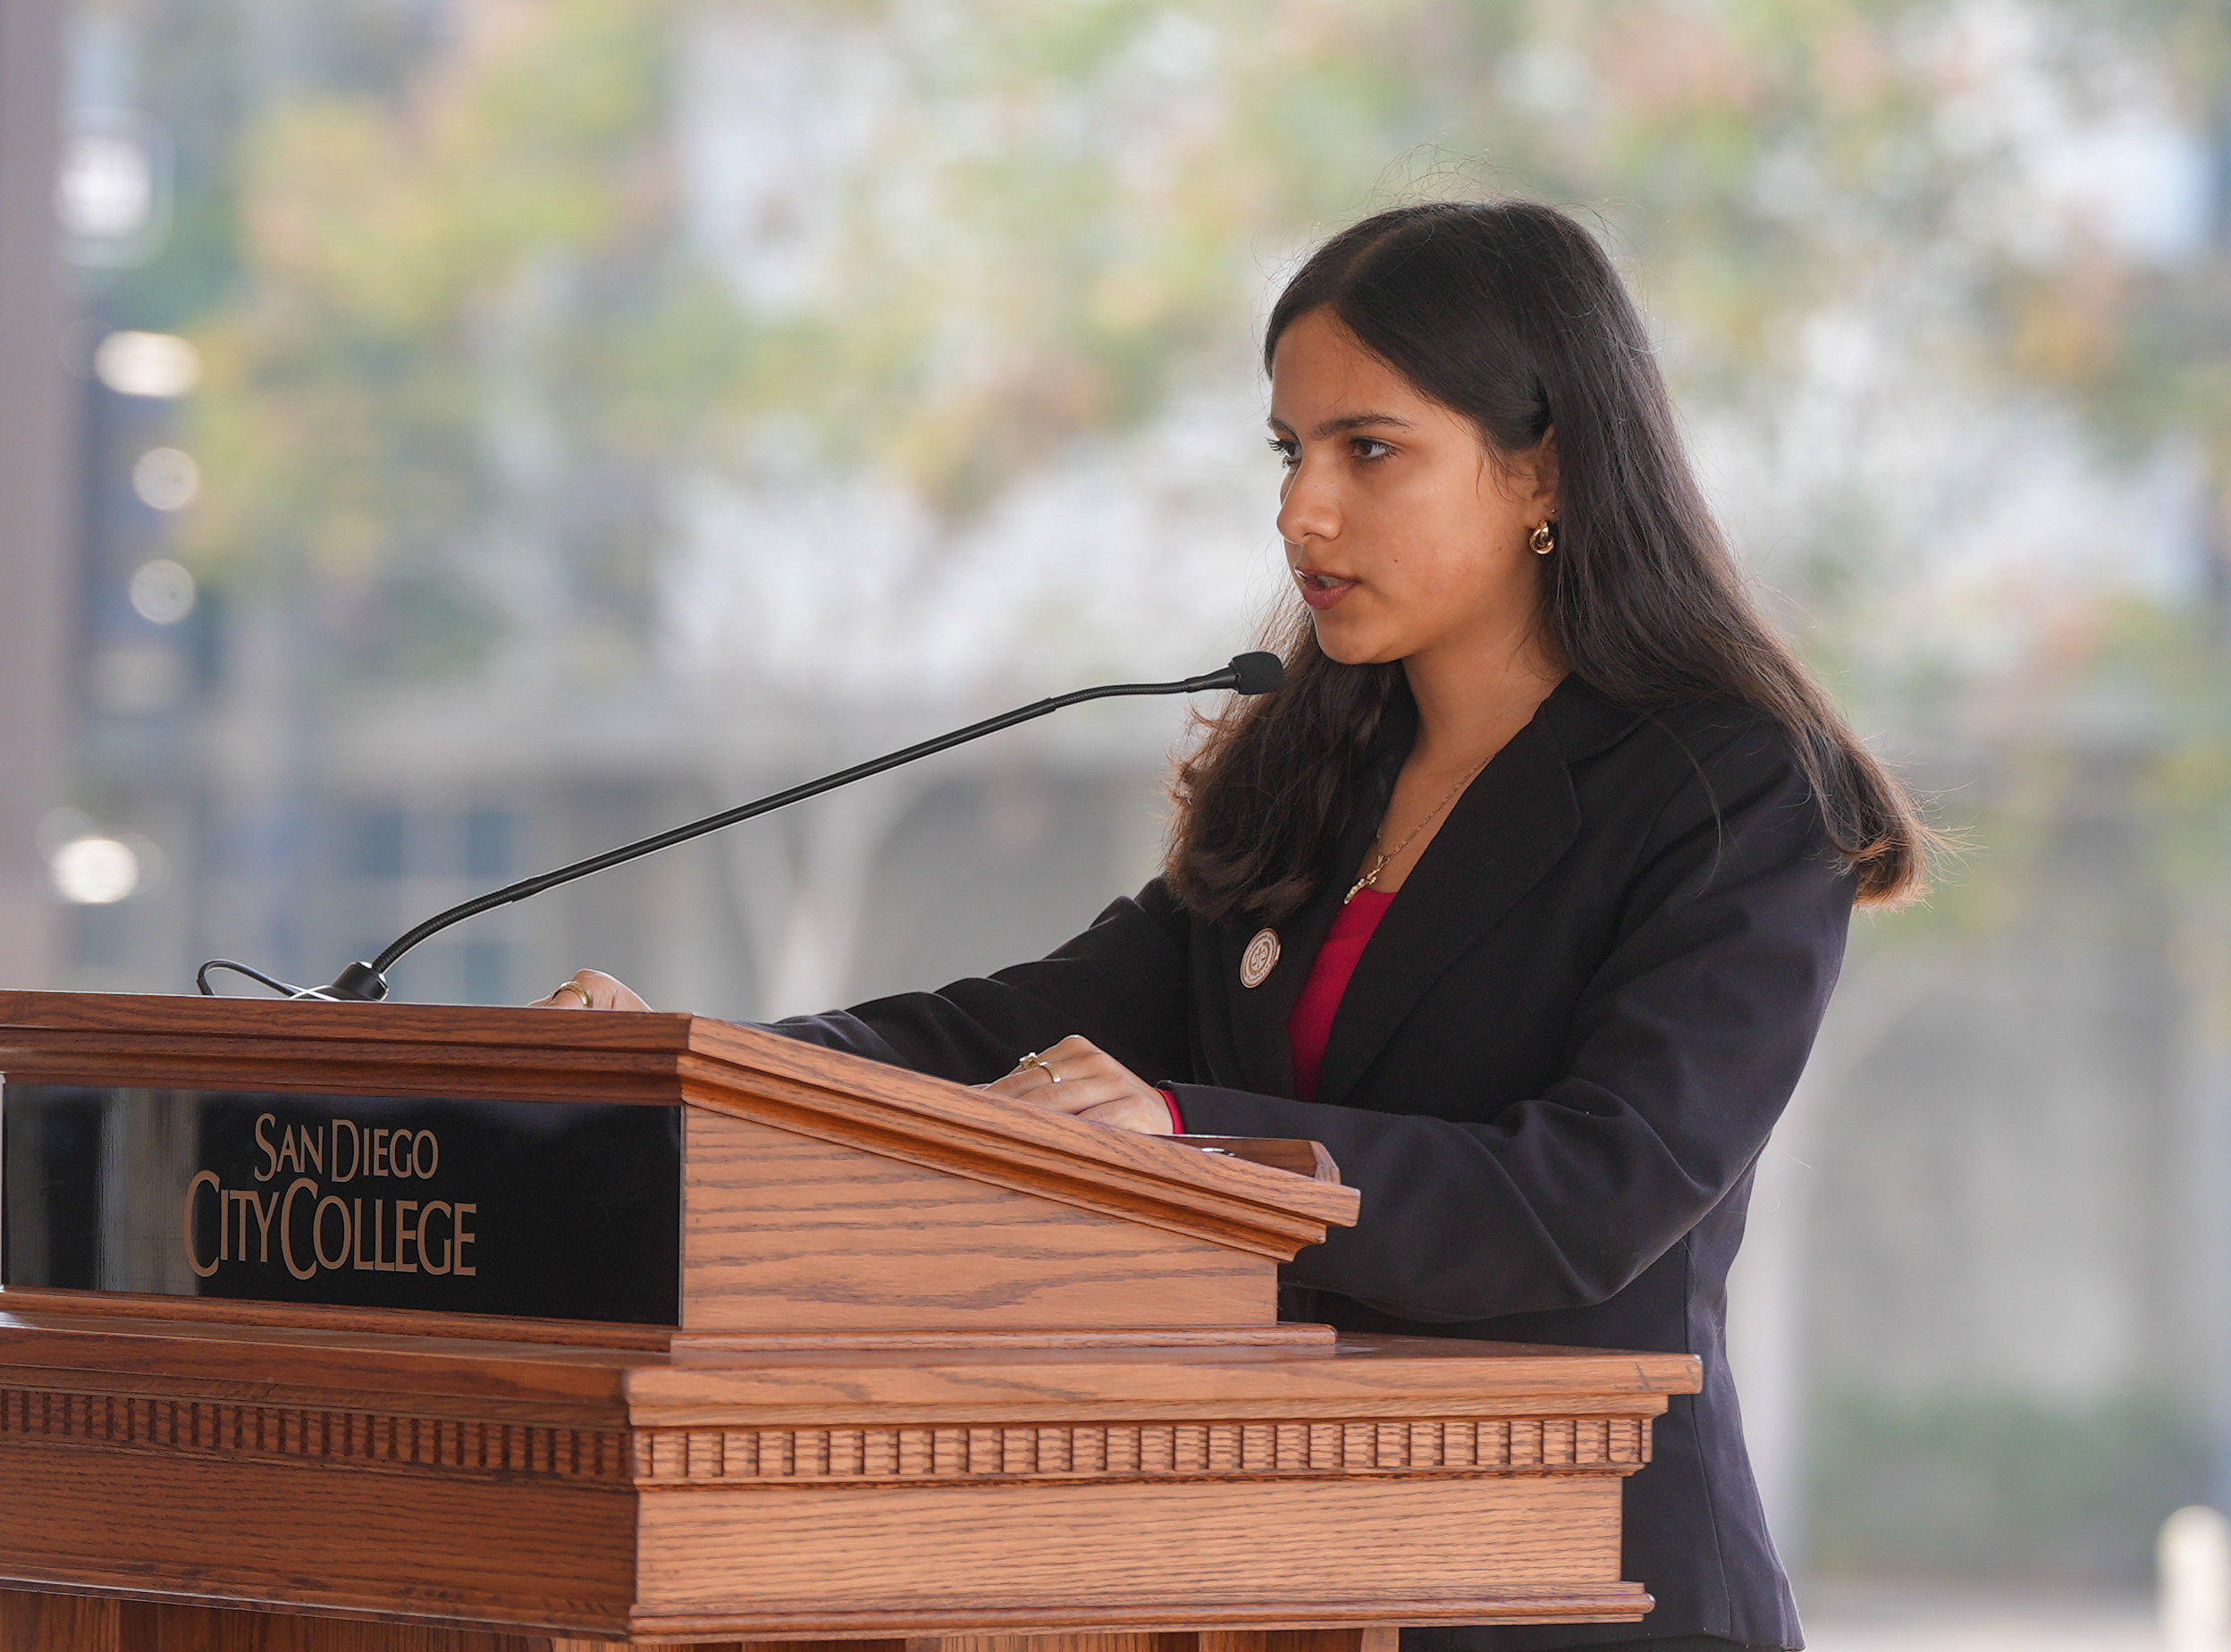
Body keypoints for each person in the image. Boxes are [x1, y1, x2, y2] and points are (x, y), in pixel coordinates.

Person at [535, 198, 1932, 1652]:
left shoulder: (1730, 786)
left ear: (1546, 468)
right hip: (1279, 1574)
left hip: (1583, 1585)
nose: (1301, 511)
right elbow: (1006, 1038)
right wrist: (699, 1070)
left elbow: (1591, 1194)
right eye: (1290, 450)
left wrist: (1187, 1150)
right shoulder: (1314, 763)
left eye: (1368, 450)